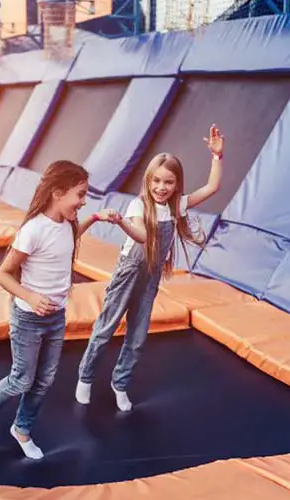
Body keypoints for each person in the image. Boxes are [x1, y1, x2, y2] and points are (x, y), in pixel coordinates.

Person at [75, 124, 225, 412]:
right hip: (128, 272)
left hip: (151, 275)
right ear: (148, 181)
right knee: (106, 327)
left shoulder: (176, 206)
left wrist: (217, 156)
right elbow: (144, 237)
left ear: (176, 184)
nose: (161, 187)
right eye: (156, 181)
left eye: (168, 182)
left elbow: (212, 187)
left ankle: (120, 383)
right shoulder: (138, 207)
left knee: (138, 336)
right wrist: (121, 222)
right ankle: (85, 377)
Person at [0, 160, 116, 459]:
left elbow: (68, 239)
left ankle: (22, 429)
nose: (84, 200)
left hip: (56, 317)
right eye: (80, 194)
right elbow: (2, 274)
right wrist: (31, 296)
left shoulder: (68, 225)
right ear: (57, 193)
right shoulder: (33, 230)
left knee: (45, 380)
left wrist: (95, 218)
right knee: (21, 379)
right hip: (28, 318)